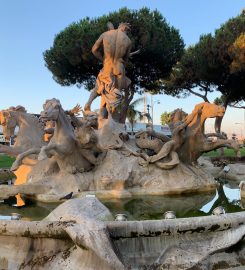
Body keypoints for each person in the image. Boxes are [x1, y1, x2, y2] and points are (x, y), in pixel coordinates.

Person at [84, 22, 133, 127]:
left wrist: (103, 59)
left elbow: (94, 50)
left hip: (107, 66)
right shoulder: (128, 41)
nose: (128, 33)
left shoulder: (106, 34)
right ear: (124, 28)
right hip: (119, 69)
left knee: (99, 87)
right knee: (115, 97)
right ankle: (110, 124)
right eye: (128, 31)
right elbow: (126, 60)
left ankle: (89, 104)